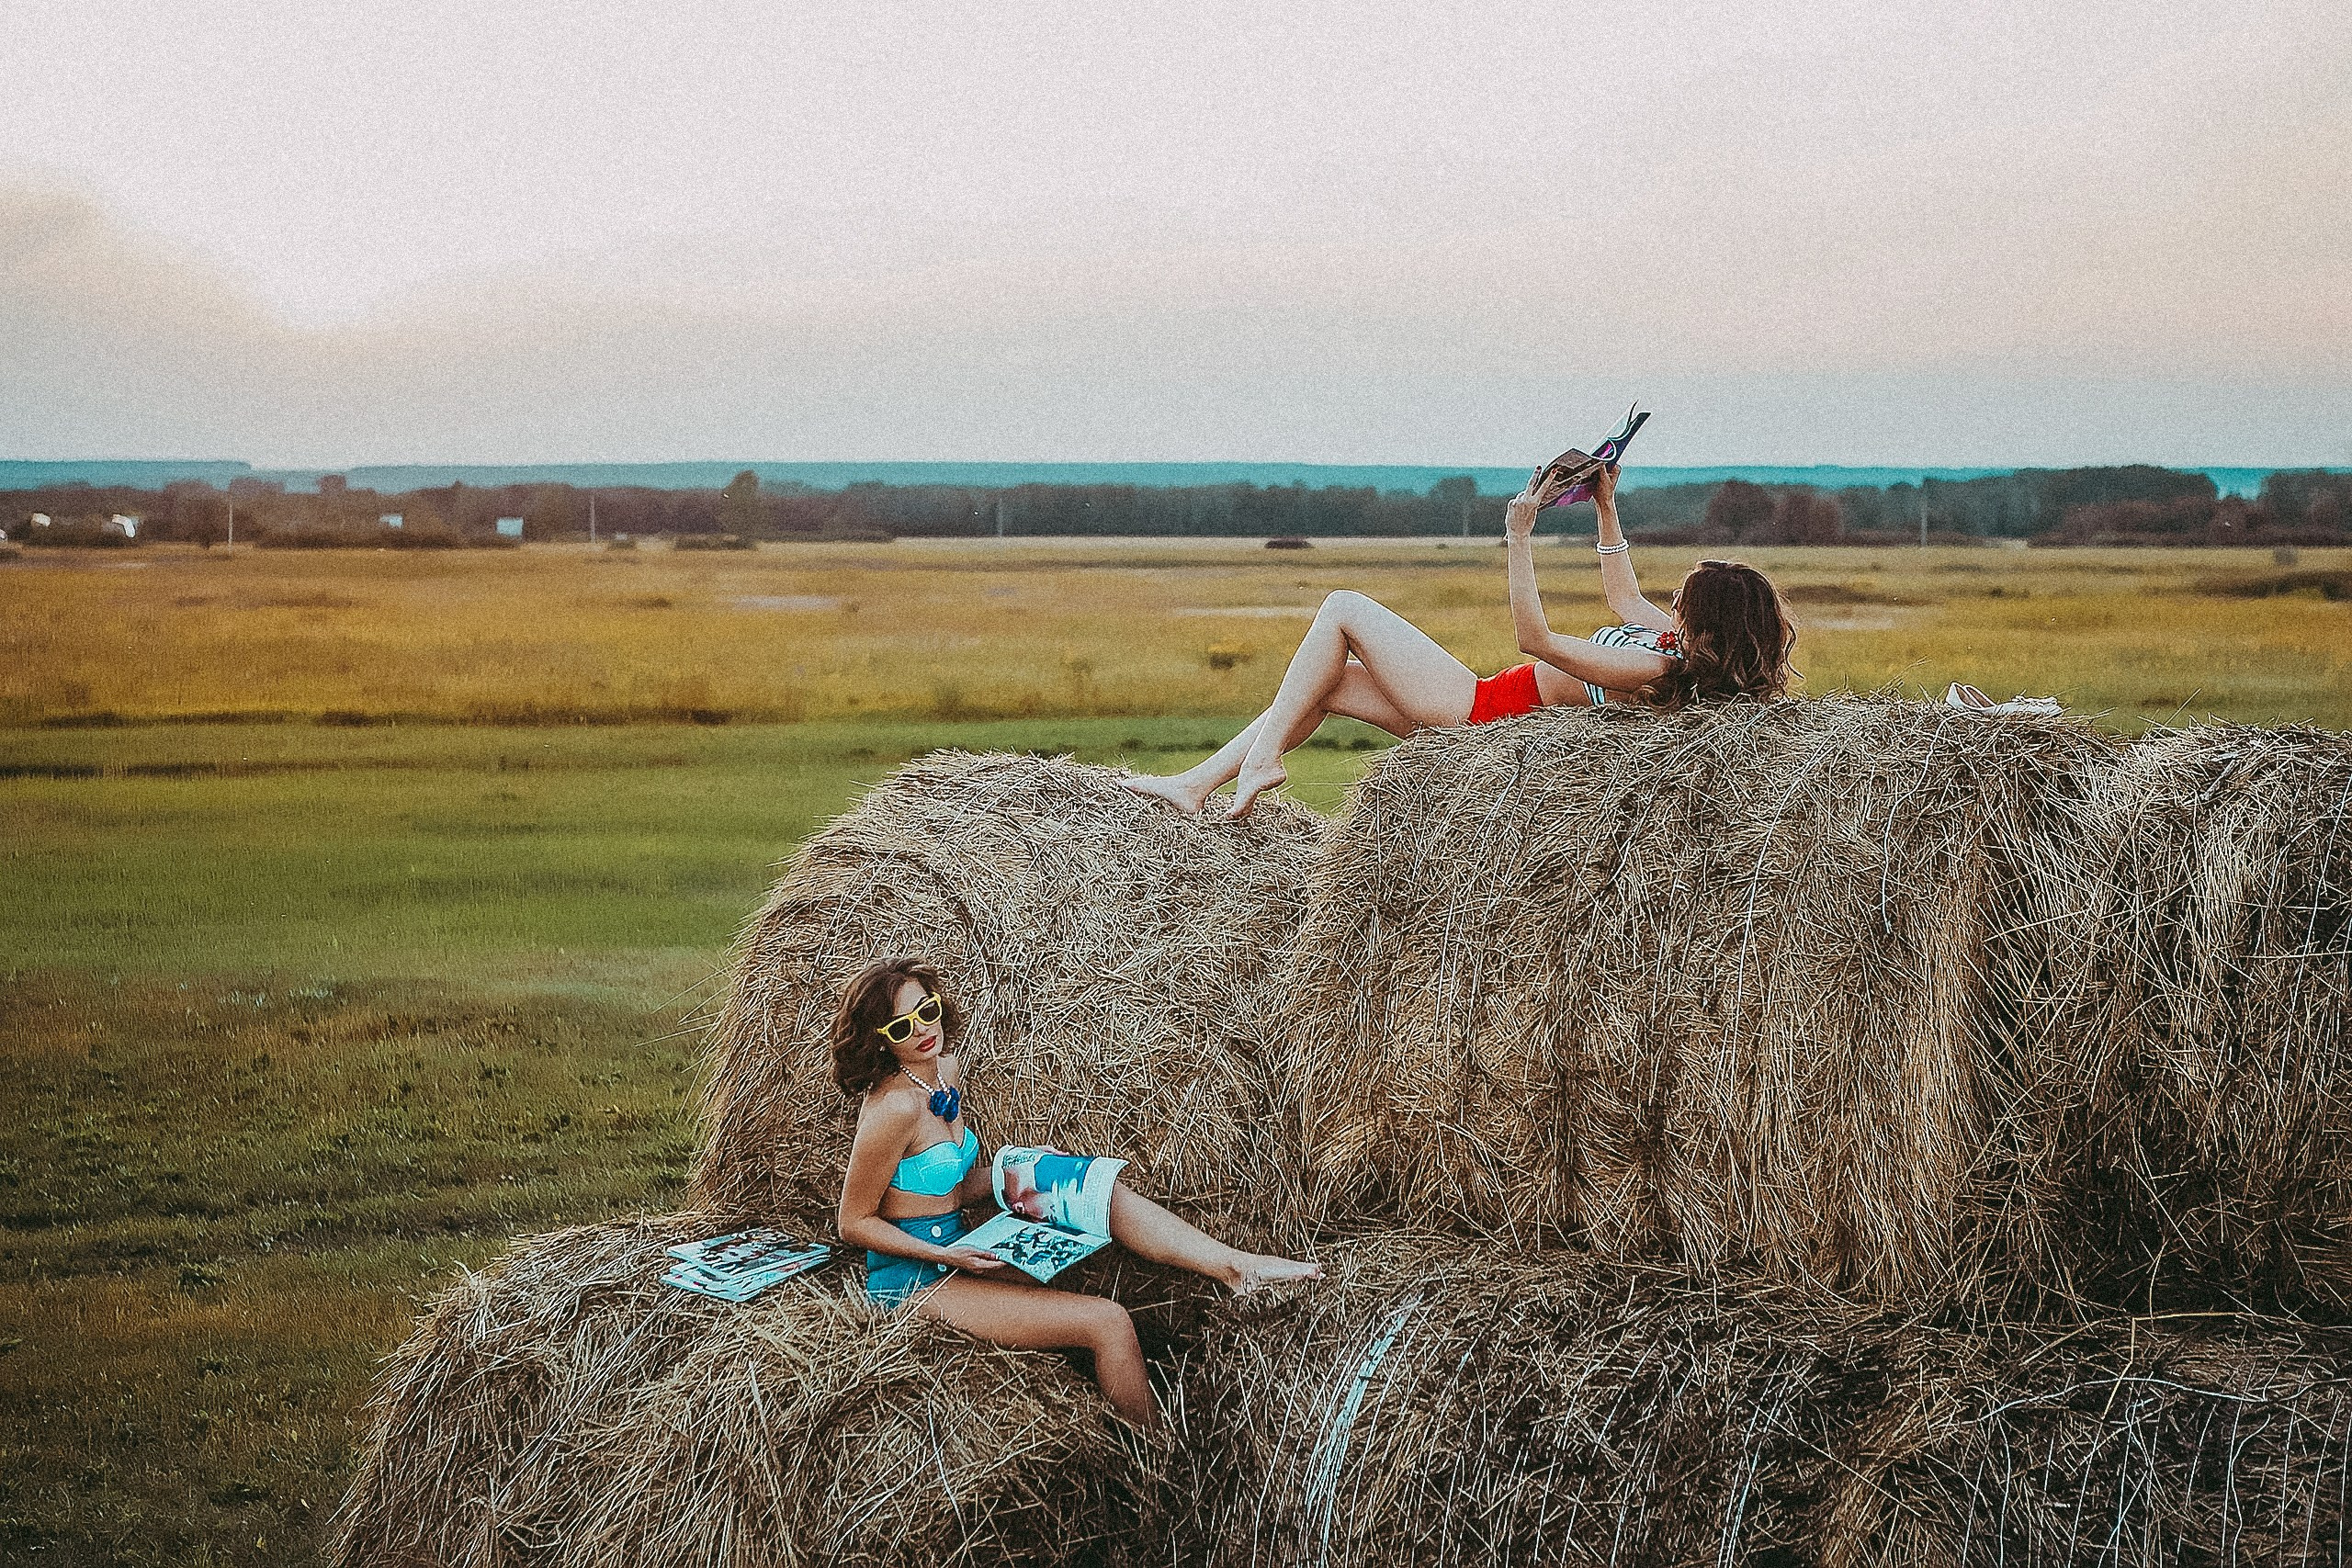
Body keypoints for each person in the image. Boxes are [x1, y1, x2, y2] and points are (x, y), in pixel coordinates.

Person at [1121, 464, 1796, 817]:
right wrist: (1605, 503)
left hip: (1478, 713)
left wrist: (1520, 536)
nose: (1671, 603)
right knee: (1325, 683)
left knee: (1342, 608)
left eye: (1684, 601)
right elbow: (1622, 595)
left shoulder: (1650, 669)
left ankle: (1261, 761)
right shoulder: (1672, 651)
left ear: (1708, 625)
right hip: (1481, 710)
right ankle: (1196, 785)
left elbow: (1535, 637)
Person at [832, 957, 1320, 1431]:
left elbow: (949, 1190)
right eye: (902, 1027)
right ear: (881, 1041)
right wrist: (944, 1255)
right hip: (917, 1281)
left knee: (1099, 1192)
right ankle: (1161, 1461)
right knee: (1107, 1322)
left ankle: (1236, 1267)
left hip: (960, 1247)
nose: (922, 1029)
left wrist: (1020, 1167)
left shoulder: (944, 1071)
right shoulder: (893, 1108)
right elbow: (852, 1222)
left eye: (927, 1010)